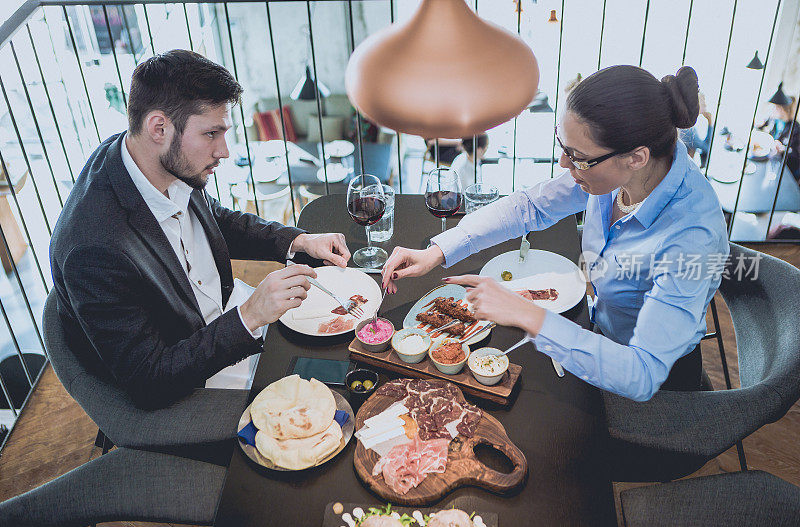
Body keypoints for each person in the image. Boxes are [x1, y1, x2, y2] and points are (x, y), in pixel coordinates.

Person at [381, 65, 729, 401]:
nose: (564, 164)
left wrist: (525, 312)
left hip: (657, 391)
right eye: (562, 146)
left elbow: (641, 372)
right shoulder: (614, 171)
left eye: (577, 157)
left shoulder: (692, 235)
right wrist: (437, 251)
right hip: (597, 332)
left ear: (636, 157)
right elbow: (531, 207)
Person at [50, 50, 351, 408]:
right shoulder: (94, 250)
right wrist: (250, 315)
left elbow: (215, 219)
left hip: (226, 322)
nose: (223, 151)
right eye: (211, 134)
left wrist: (298, 241)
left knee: (348, 359)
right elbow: (150, 380)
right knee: (334, 407)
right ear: (158, 127)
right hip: (193, 380)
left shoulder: (150, 157)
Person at [758, 92, 800, 182]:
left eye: (775, 107)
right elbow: (762, 125)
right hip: (771, 160)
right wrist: (758, 124)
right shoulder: (774, 119)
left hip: (786, 169)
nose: (772, 109)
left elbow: (796, 155)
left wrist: (783, 149)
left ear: (782, 110)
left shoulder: (796, 129)